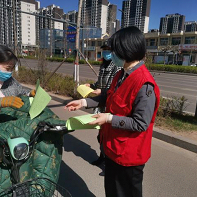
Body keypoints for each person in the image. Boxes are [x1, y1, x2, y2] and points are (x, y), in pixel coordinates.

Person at [65, 26, 160, 197]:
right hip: (113, 149)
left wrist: (109, 118)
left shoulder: (145, 85)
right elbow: (108, 96)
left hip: (129, 156)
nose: (112, 54)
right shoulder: (122, 74)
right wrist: (83, 102)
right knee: (112, 191)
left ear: (126, 50)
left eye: (114, 50)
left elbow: (141, 123)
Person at [86, 40, 121, 167]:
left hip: (110, 104)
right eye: (104, 49)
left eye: (108, 49)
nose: (106, 52)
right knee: (101, 133)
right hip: (101, 102)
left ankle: (109, 160)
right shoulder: (103, 65)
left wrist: (102, 91)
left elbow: (115, 87)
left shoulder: (117, 66)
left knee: (108, 134)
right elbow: (99, 82)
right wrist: (91, 85)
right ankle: (102, 156)